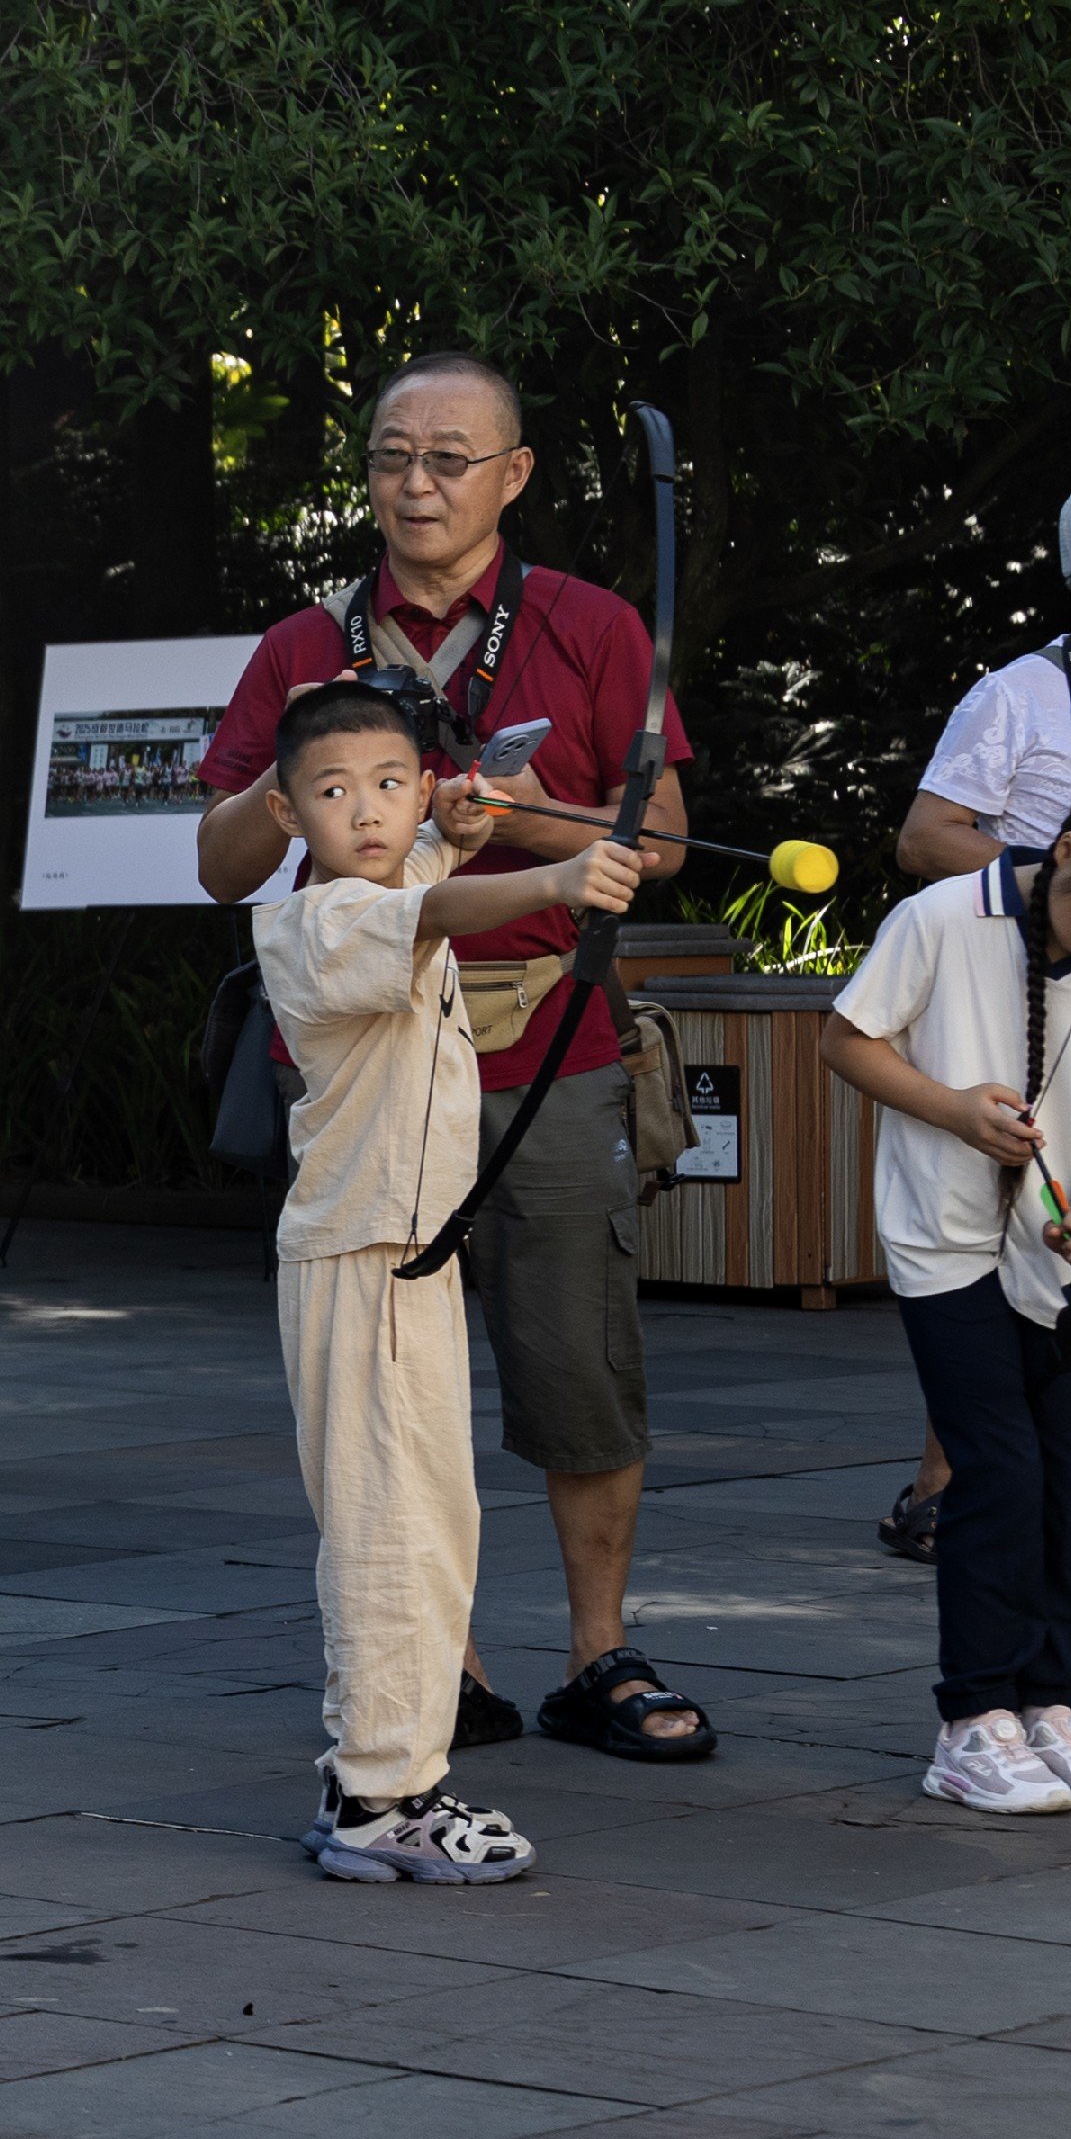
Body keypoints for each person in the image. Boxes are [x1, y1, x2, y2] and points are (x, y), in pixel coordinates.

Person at [196, 352, 714, 1767]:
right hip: (371, 1063)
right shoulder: (305, 639)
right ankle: (448, 1663)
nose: (413, 484)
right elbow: (216, 863)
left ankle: (596, 1650)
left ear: (513, 473)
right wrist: (292, 770)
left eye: (446, 458)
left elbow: (653, 848)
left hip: (549, 1036)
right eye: (388, 457)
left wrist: (536, 818)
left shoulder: (589, 624)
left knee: (576, 1360)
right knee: (384, 1375)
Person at [250, 678, 640, 1882]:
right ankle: (382, 1798)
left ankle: (384, 1777)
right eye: (330, 792)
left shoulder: (396, 873)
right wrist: (554, 877)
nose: (363, 810)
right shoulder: (312, 921)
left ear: (420, 783)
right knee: (388, 1532)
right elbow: (430, 913)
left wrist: (464, 830)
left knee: (433, 1524)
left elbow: (426, 875)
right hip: (361, 1257)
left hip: (405, 1256)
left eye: (388, 784)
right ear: (287, 809)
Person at [820, 785, 1071, 1813]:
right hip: (941, 1234)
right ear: (1065, 847)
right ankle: (973, 1718)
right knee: (1000, 1467)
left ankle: (1053, 1702)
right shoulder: (942, 915)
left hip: (1062, 1242)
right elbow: (847, 1041)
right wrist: (953, 1110)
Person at [880, 471, 1071, 1559]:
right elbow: (926, 837)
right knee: (1004, 1234)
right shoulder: (1016, 694)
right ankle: (941, 1484)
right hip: (1015, 985)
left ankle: (1058, 1475)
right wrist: (1065, 882)